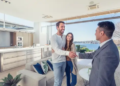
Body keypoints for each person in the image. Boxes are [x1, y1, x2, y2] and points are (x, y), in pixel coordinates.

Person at [72, 21, 119, 86]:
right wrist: (77, 54)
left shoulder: (109, 52)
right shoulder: (105, 46)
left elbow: (103, 81)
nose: (95, 34)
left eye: (96, 31)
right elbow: (93, 54)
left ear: (102, 33)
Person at [51, 21, 77, 86]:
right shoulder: (53, 37)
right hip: (56, 62)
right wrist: (68, 53)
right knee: (57, 81)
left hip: (64, 61)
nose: (63, 28)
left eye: (64, 27)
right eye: (62, 26)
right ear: (57, 27)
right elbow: (56, 49)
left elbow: (69, 41)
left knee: (61, 80)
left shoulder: (65, 37)